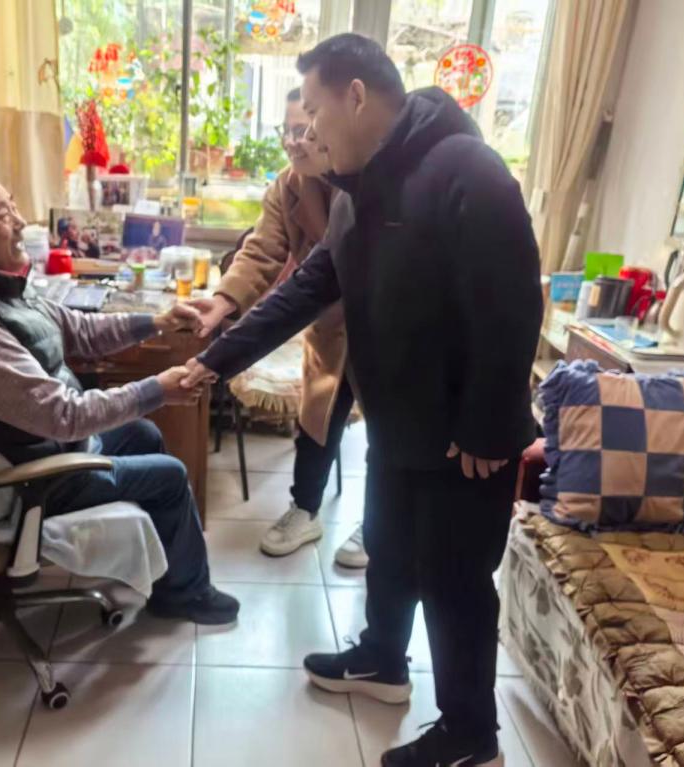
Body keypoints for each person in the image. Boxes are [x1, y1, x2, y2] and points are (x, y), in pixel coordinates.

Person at [182, 34, 541, 766]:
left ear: (355, 96)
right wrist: (214, 361)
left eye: (314, 111)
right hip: (397, 422)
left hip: (465, 438)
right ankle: (382, 659)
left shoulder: (467, 171)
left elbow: (512, 308)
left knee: (454, 582)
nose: (308, 132)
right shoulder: (356, 194)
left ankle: (472, 736)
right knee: (389, 546)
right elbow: (306, 289)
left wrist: (487, 427)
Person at [0, 163, 239, 626]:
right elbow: (64, 415)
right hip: (34, 475)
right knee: (169, 476)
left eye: (13, 206)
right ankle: (186, 594)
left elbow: (79, 330)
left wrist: (157, 321)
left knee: (143, 435)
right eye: (3, 215)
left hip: (47, 445)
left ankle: (151, 565)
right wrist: (157, 389)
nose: (20, 221)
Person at [189, 87, 365, 566]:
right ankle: (304, 510)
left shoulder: (368, 179)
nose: (294, 141)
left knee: (388, 434)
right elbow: (262, 249)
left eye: (304, 128)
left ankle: (378, 525)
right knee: (316, 422)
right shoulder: (288, 186)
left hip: (381, 328)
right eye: (286, 130)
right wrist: (223, 302)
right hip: (326, 323)